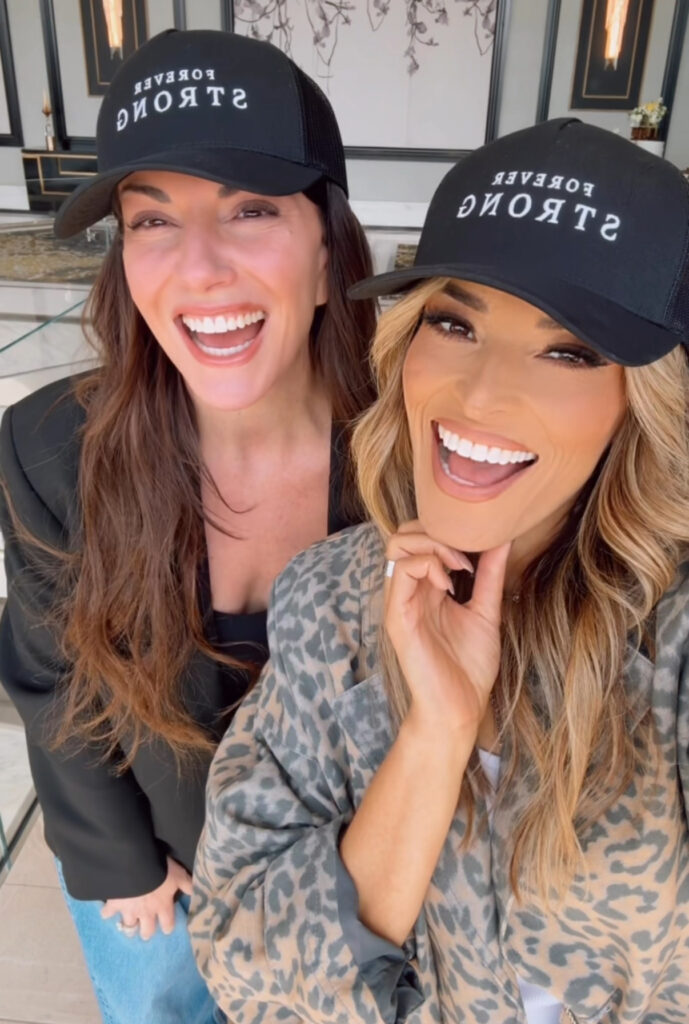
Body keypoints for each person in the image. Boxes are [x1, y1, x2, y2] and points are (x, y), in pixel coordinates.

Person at [190, 118, 689, 1024]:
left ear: (641, 400)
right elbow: (244, 964)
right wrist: (435, 734)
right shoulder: (328, 598)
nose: (481, 394)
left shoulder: (673, 640)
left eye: (568, 349)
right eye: (454, 323)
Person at [0, 28, 376, 1024]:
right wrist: (115, 861)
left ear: (327, 248)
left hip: (349, 888)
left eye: (250, 209)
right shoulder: (49, 448)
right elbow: (50, 679)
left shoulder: (412, 456)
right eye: (152, 219)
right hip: (158, 879)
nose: (198, 268)